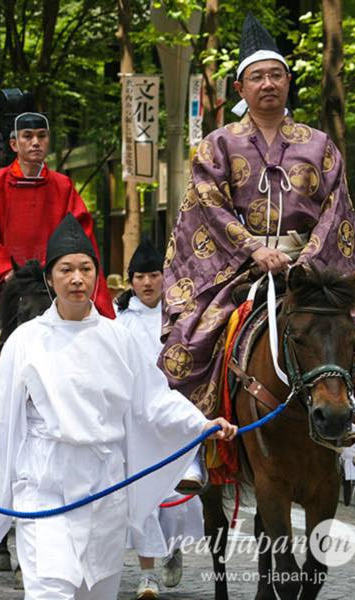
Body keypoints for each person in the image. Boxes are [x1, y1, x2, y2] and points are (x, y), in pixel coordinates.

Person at [0, 214, 236, 600]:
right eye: (66, 269)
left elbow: (153, 400)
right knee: (50, 591)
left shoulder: (117, 338)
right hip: (45, 484)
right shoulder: (27, 341)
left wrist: (201, 424)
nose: (76, 278)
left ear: (96, 277)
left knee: (96, 591)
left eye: (85, 269)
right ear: (51, 278)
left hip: (104, 487)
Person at [160, 13, 355, 433]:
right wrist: (255, 249)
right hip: (238, 269)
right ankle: (194, 444)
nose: (268, 83)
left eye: (276, 75)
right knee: (189, 343)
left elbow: (338, 209)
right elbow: (207, 204)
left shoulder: (319, 145)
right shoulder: (218, 144)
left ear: (286, 82)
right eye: (257, 76)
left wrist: (308, 259)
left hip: (311, 271)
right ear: (242, 87)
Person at [0, 112, 115, 348]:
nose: (35, 142)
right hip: (4, 278)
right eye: (27, 136)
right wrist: (2, 270)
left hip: (53, 277)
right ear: (13, 144)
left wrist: (60, 270)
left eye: (41, 136)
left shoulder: (63, 185)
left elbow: (80, 235)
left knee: (102, 334)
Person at [116, 239, 204, 599]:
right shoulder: (118, 321)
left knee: (177, 494)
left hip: (172, 416)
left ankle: (172, 548)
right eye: (140, 276)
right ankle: (147, 572)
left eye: (154, 275)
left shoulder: (181, 319)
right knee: (142, 496)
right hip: (135, 421)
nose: (148, 282)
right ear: (131, 281)